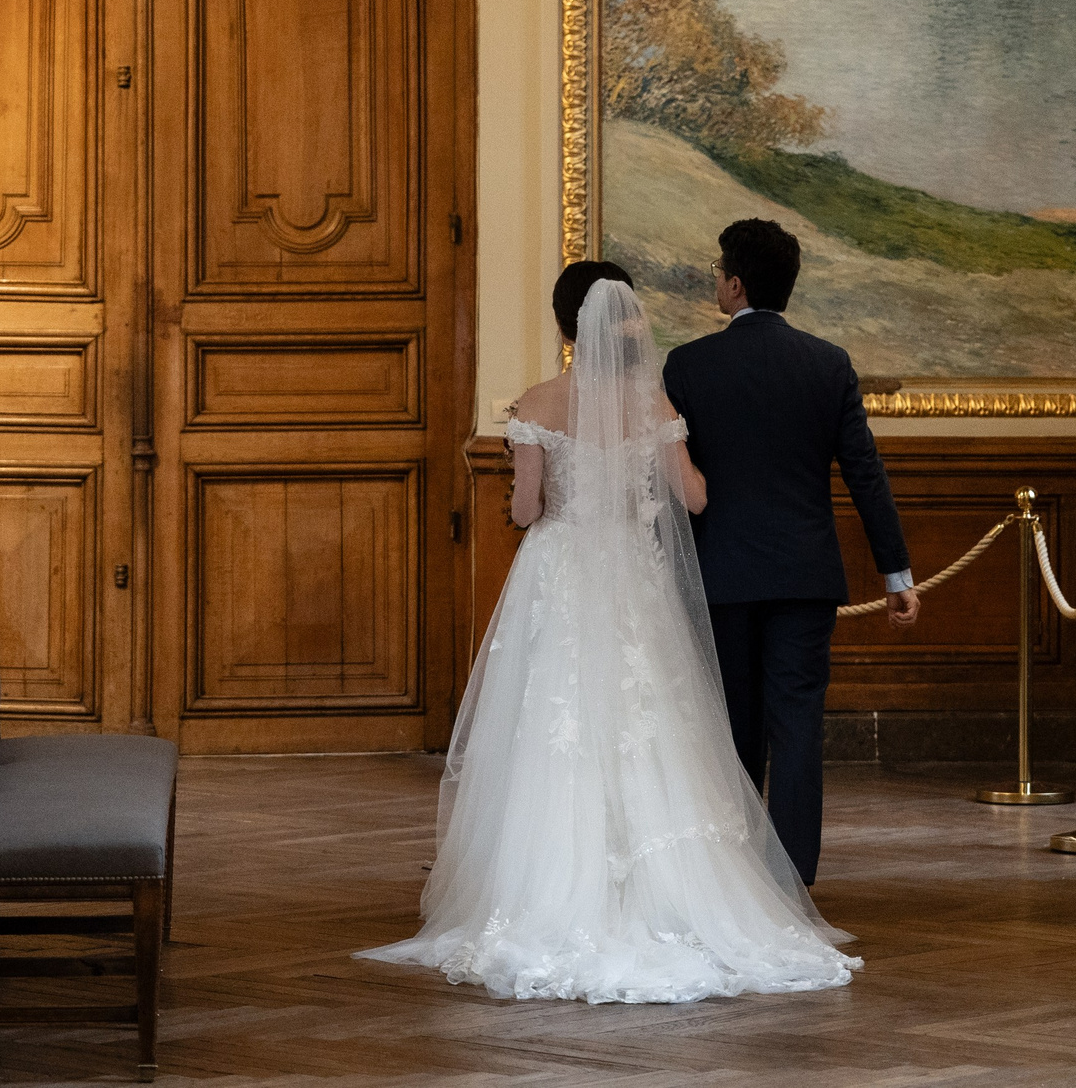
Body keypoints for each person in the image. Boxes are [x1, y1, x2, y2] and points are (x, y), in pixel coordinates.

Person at [358, 261, 859, 1003]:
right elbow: (692, 496)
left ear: (566, 325)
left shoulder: (535, 401)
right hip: (635, 574)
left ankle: (548, 889)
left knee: (552, 723)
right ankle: (682, 898)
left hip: (561, 574)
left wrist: (539, 484)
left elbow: (527, 510)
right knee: (651, 722)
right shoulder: (651, 400)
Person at [662, 220, 916, 889]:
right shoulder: (827, 362)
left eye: (719, 270)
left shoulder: (687, 365)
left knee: (735, 729)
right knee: (797, 725)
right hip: (805, 576)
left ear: (735, 283)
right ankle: (794, 882)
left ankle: (739, 880)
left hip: (722, 576)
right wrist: (897, 572)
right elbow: (866, 471)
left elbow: (668, 484)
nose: (716, 279)